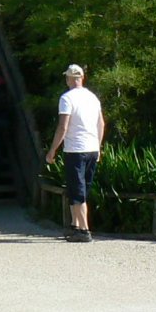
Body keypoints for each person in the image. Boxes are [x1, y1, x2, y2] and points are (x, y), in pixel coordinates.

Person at [44, 63, 104, 242]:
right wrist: (98, 146)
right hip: (92, 148)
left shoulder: (67, 98)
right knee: (79, 187)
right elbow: (101, 124)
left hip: (75, 149)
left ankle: (84, 230)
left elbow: (63, 126)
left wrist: (52, 150)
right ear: (82, 77)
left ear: (69, 79)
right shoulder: (93, 98)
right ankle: (75, 225)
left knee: (77, 189)